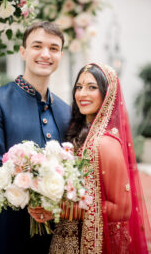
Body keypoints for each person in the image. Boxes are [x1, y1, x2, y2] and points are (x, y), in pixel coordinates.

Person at [0, 21, 71, 254]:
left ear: (61, 55)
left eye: (54, 48)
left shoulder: (67, 111)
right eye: (37, 46)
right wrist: (38, 196)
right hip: (3, 238)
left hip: (51, 244)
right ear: (23, 51)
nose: (46, 54)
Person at [48, 63, 151, 254]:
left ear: (107, 94)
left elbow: (122, 209)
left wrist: (64, 208)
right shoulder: (80, 135)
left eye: (92, 87)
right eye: (79, 87)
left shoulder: (105, 143)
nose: (82, 94)